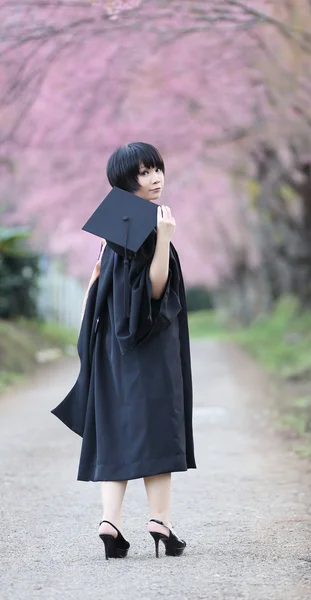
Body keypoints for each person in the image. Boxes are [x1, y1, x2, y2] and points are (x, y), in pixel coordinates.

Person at [51, 142, 196, 560]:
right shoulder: (150, 225)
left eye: (157, 169)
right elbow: (152, 290)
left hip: (110, 348)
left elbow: (95, 288)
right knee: (158, 430)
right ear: (125, 180)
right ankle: (160, 522)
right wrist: (165, 240)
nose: (155, 178)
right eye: (144, 172)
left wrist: (95, 344)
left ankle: (110, 523)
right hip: (148, 349)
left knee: (115, 430)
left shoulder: (114, 227)